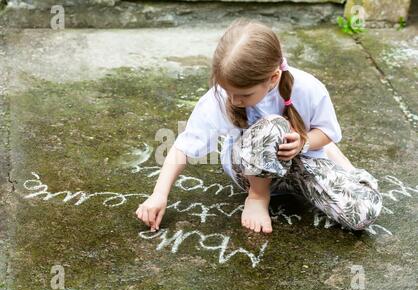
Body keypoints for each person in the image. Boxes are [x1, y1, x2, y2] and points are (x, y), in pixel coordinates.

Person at [136, 19, 382, 234]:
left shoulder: (308, 88)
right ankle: (258, 196)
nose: (234, 100)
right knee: (273, 125)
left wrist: (304, 143)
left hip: (299, 164)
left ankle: (338, 161)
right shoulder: (220, 98)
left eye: (243, 94)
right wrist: (159, 194)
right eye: (229, 92)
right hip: (247, 171)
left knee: (362, 213)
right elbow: (183, 148)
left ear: (273, 78)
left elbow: (328, 132)